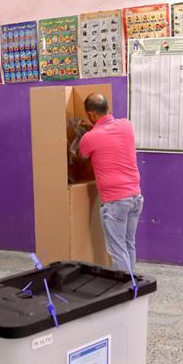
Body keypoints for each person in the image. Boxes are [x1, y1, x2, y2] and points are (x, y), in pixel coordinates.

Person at [75, 93, 143, 273]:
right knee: (129, 245)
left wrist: (80, 135)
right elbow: (108, 131)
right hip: (136, 197)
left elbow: (81, 158)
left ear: (90, 114)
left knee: (118, 251)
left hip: (115, 202)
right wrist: (92, 127)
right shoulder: (126, 125)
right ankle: (132, 286)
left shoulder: (89, 138)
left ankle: (125, 289)